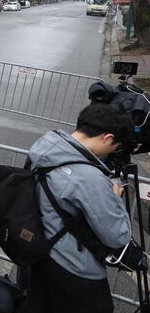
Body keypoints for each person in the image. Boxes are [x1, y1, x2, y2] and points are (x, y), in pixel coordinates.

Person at [22, 103, 134, 313]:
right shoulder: (89, 178)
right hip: (72, 264)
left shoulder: (46, 146)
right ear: (107, 138)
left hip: (40, 248)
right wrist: (115, 198)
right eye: (115, 146)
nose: (113, 152)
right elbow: (117, 236)